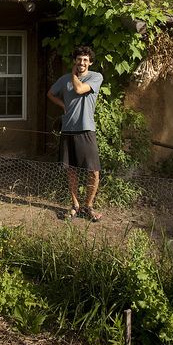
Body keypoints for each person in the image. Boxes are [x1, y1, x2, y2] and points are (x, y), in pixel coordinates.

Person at [47, 46, 103, 222]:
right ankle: (75, 205)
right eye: (79, 59)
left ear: (90, 62)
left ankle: (89, 206)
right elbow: (50, 93)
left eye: (86, 60)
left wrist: (73, 74)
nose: (82, 62)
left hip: (86, 129)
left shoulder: (95, 77)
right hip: (68, 129)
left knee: (93, 171)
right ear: (75, 60)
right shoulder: (64, 80)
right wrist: (63, 105)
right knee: (71, 170)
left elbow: (79, 89)